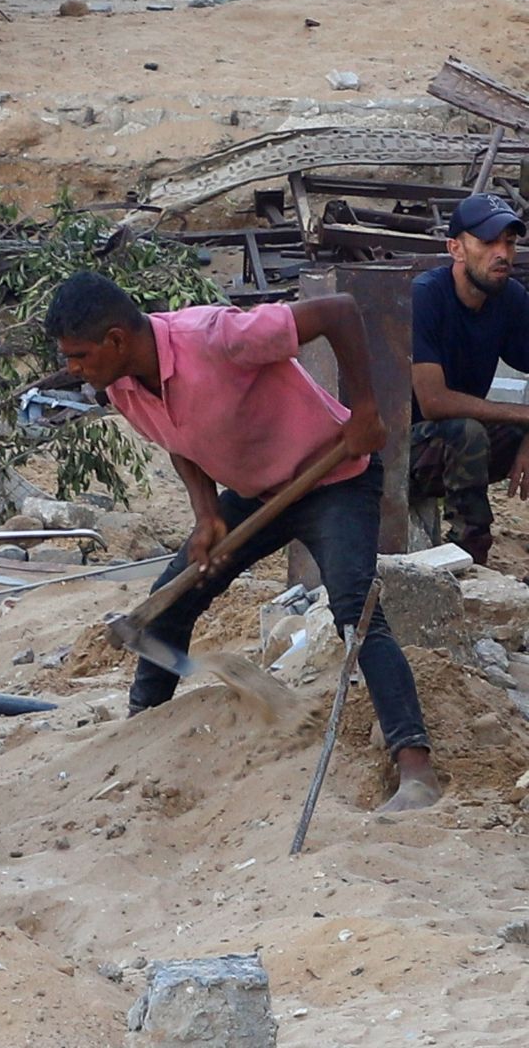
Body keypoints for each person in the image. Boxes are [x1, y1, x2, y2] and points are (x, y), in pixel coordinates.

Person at [44, 271, 440, 812]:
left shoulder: (216, 336)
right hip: (258, 496)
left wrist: (366, 409)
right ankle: (141, 733)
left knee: (356, 610)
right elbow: (177, 437)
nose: (73, 369)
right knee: (169, 607)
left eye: (80, 355)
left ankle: (414, 767)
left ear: (116, 339)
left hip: (334, 478)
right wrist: (207, 514)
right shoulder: (120, 385)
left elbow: (339, 311)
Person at [407, 193, 529, 566]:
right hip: (399, 452)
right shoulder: (425, 297)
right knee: (466, 430)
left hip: (461, 446)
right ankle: (469, 556)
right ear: (455, 248)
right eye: (488, 241)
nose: (503, 254)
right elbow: (434, 402)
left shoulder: (508, 297)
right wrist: (524, 416)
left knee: (471, 429)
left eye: (509, 242)